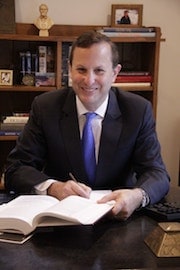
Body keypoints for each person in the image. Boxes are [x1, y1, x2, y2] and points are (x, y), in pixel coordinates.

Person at [4, 31, 170, 220]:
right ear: (70, 69)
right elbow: (15, 169)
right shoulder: (45, 107)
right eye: (81, 70)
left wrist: (137, 195)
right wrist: (53, 187)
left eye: (99, 70)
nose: (89, 80)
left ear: (115, 73)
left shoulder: (138, 111)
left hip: (118, 220)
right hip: (59, 220)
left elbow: (157, 173)